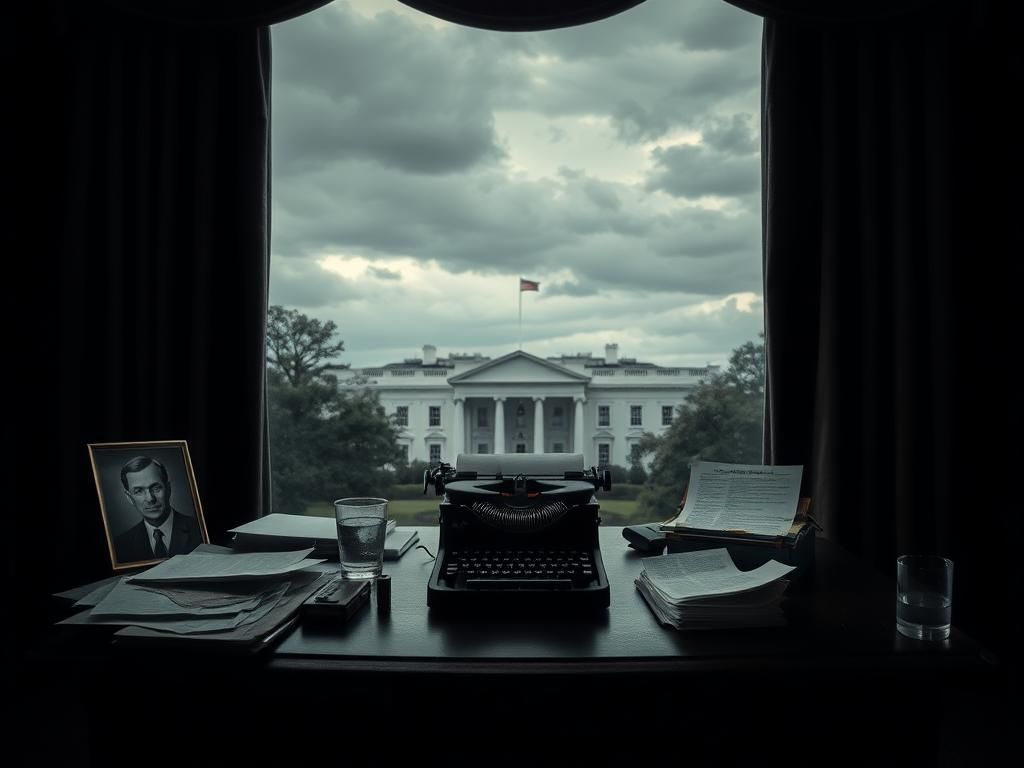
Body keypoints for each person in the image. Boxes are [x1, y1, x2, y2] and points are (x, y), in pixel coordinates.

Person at [112, 455, 202, 563]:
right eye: (139, 491)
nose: (150, 499)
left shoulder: (200, 530)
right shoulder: (120, 545)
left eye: (156, 488)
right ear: (129, 498)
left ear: (168, 489)